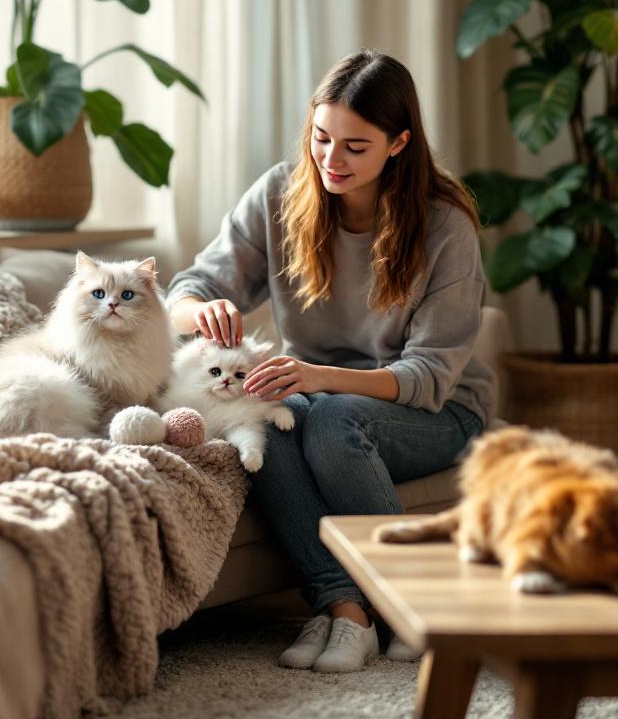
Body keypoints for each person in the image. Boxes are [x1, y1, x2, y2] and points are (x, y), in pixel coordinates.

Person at [165, 49, 495, 673]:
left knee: (329, 418)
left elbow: (426, 379)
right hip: (320, 399)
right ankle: (346, 612)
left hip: (440, 411)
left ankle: (412, 599)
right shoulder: (279, 195)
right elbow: (190, 287)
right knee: (270, 424)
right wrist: (198, 314)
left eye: (354, 146)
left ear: (399, 143)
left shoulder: (446, 225)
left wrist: (316, 377)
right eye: (321, 137)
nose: (330, 160)